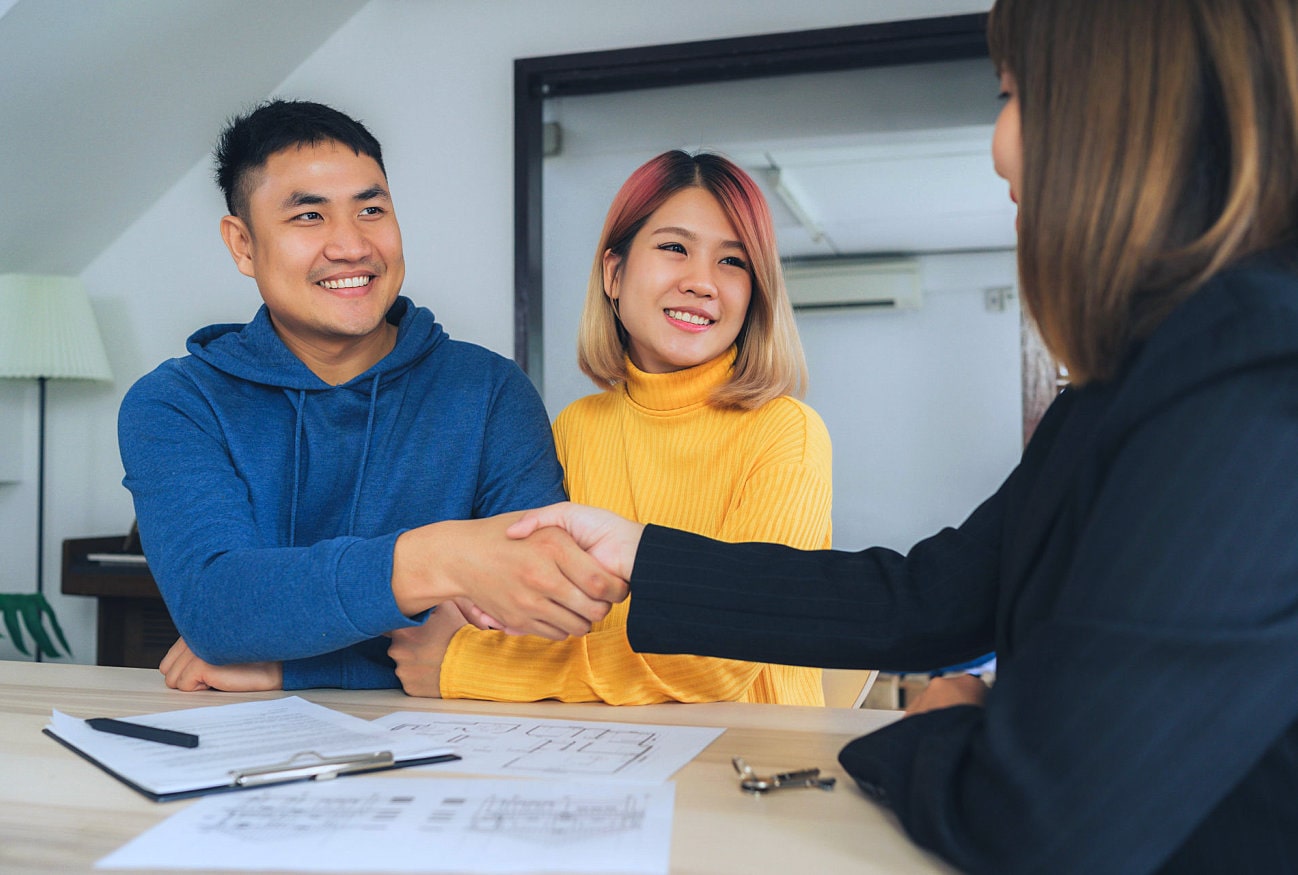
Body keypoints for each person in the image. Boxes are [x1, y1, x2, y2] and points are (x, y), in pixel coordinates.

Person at [504, 0, 1298, 871]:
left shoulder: (1254, 370)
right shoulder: (1137, 370)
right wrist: (641, 556)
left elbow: (1043, 814)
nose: (998, 140)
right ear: (611, 275)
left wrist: (944, 722)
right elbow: (934, 597)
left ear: (1110, 110)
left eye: (1012, 94)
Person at [118, 100, 625, 693]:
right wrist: (443, 559)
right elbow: (219, 606)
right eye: (308, 216)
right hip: (236, 758)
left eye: (371, 210)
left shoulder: (489, 391)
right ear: (243, 245)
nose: (352, 246)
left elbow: (543, 613)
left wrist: (290, 664)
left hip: (452, 754)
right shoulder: (177, 403)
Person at [388, 150, 833, 705]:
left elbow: (720, 657)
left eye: (733, 262)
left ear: (756, 294)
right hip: (604, 751)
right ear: (614, 273)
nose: (702, 282)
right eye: (675, 248)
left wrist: (471, 665)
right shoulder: (576, 427)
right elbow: (535, 607)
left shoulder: (786, 433)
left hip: (748, 764)